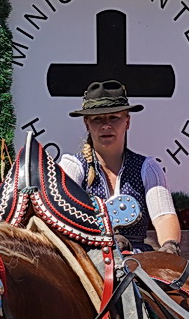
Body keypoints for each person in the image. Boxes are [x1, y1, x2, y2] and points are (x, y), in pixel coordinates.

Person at [57, 82, 182, 254]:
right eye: (97, 119)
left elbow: (163, 216)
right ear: (87, 124)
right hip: (88, 260)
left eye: (114, 117)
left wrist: (170, 245)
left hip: (137, 261)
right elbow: (61, 218)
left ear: (127, 121)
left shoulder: (148, 168)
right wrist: (103, 240)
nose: (106, 126)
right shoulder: (73, 167)